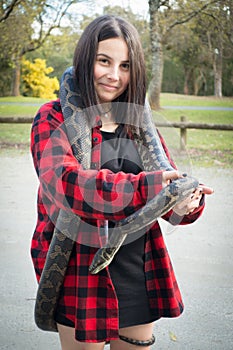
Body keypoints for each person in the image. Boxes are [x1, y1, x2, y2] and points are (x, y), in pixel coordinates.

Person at [30, 15, 213, 350]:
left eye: (125, 65)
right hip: (78, 267)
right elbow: (68, 185)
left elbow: (169, 188)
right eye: (104, 61)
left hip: (138, 266)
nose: (114, 75)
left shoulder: (140, 126)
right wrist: (151, 187)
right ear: (86, 60)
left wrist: (186, 204)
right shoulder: (53, 117)